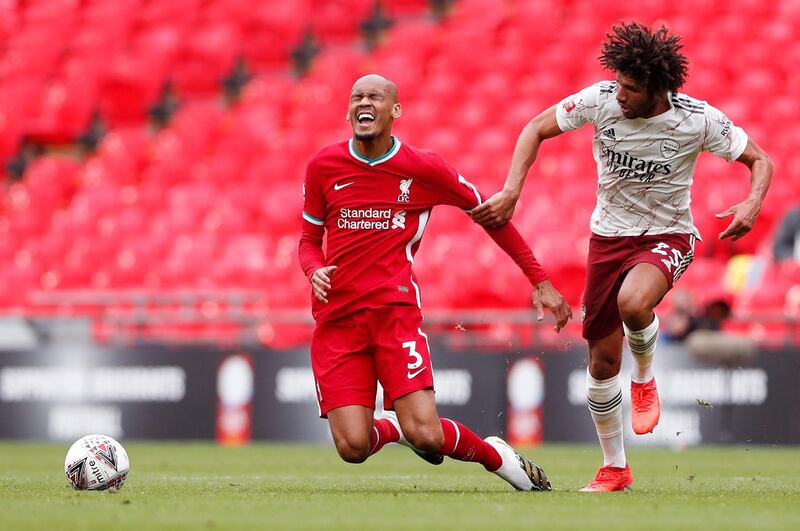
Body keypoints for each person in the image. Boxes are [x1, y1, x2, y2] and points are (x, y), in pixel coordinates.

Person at [471, 22, 773, 491]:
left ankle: (646, 378)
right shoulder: (601, 100)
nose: (621, 95)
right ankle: (615, 467)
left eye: (631, 88)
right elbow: (534, 128)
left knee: (635, 304)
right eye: (619, 84)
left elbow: (760, 159)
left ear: (657, 88)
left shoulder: (697, 119)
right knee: (601, 364)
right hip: (607, 240)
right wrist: (512, 191)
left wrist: (752, 202)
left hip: (669, 235)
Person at [298, 74, 572, 491]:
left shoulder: (423, 168)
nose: (363, 103)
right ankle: (392, 427)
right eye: (356, 97)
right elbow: (307, 241)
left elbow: (492, 216)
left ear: (395, 110)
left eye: (374, 96)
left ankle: (496, 456)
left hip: (394, 314)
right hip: (337, 320)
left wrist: (539, 280)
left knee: (427, 433)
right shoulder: (323, 166)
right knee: (353, 446)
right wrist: (312, 269)